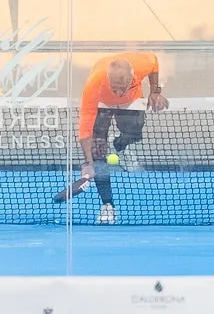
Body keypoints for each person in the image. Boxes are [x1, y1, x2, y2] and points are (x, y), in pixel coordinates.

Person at [55, 52, 167, 224]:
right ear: (107, 78)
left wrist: (155, 91)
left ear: (132, 77)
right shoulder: (94, 84)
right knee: (98, 155)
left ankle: (119, 144)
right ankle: (108, 205)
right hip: (102, 106)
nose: (118, 93)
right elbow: (85, 128)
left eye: (122, 87)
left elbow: (154, 62)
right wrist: (89, 162)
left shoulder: (142, 64)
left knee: (135, 133)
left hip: (131, 102)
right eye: (114, 87)